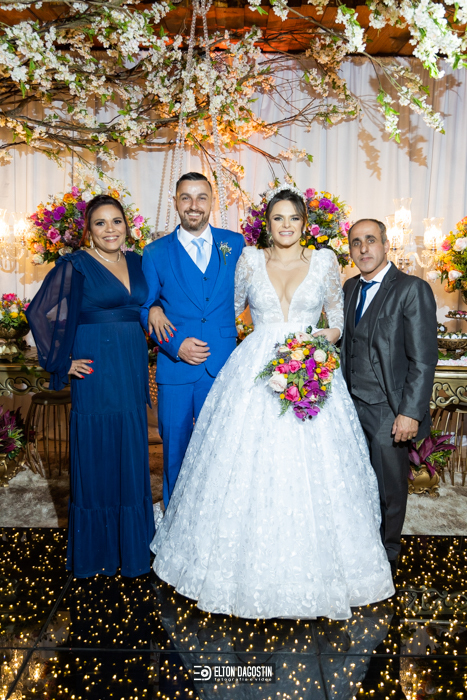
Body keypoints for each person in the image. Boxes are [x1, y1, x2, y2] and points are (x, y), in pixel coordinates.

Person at [150, 185, 395, 620]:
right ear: (267, 224)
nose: (286, 225)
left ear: (305, 223)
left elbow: (337, 318)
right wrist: (156, 310)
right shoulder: (248, 259)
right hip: (256, 369)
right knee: (241, 464)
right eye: (278, 218)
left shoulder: (324, 261)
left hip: (310, 364)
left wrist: (318, 343)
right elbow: (224, 309)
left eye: (293, 218)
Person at [26, 194, 155, 578]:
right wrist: (61, 362)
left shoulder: (138, 261)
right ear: (88, 230)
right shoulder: (75, 265)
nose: (110, 229)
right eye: (100, 223)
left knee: (130, 450)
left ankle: (131, 550)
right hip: (97, 370)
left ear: (127, 226)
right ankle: (97, 552)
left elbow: (150, 303)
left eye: (116, 221)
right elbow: (39, 312)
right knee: (99, 452)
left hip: (130, 367)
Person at [141, 172, 244, 507]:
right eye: (186, 197)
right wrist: (173, 342)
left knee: (223, 452)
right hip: (176, 371)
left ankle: (218, 519)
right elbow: (143, 306)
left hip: (223, 366)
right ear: (176, 202)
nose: (194, 205)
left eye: (202, 197)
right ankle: (174, 522)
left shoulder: (236, 244)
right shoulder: (155, 252)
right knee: (175, 452)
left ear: (212, 202)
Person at [341, 219, 438, 575]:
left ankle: (387, 557)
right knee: (355, 482)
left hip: (388, 409)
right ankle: (362, 547)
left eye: (371, 240)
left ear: (385, 245)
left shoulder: (412, 288)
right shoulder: (350, 287)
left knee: (388, 487)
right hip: (350, 406)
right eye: (356, 242)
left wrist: (410, 412)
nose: (363, 248)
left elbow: (424, 358)